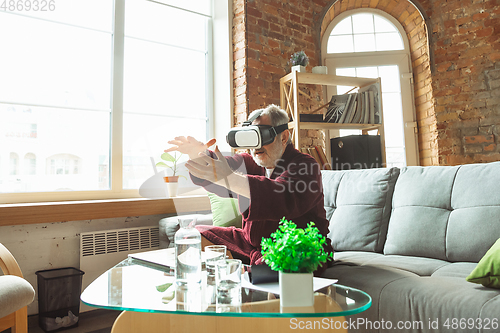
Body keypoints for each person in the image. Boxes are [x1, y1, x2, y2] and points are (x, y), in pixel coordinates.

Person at [166, 104, 333, 276]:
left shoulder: (305, 165)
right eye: (252, 138)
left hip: (295, 246)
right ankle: (235, 271)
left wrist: (231, 178)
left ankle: (240, 272)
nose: (256, 147)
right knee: (193, 235)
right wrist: (197, 155)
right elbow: (219, 168)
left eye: (263, 137)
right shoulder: (250, 163)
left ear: (284, 137)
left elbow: (282, 197)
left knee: (284, 263)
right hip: (253, 245)